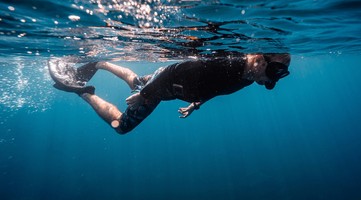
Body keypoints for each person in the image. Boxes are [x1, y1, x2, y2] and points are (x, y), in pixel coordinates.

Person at [49, 53, 291, 134]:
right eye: (276, 71)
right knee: (122, 126)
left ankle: (100, 63)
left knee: (135, 80)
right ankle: (82, 92)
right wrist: (145, 94)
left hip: (164, 84)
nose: (269, 81)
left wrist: (196, 104)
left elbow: (216, 89)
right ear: (259, 60)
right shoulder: (229, 64)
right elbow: (180, 68)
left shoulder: (247, 78)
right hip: (163, 85)